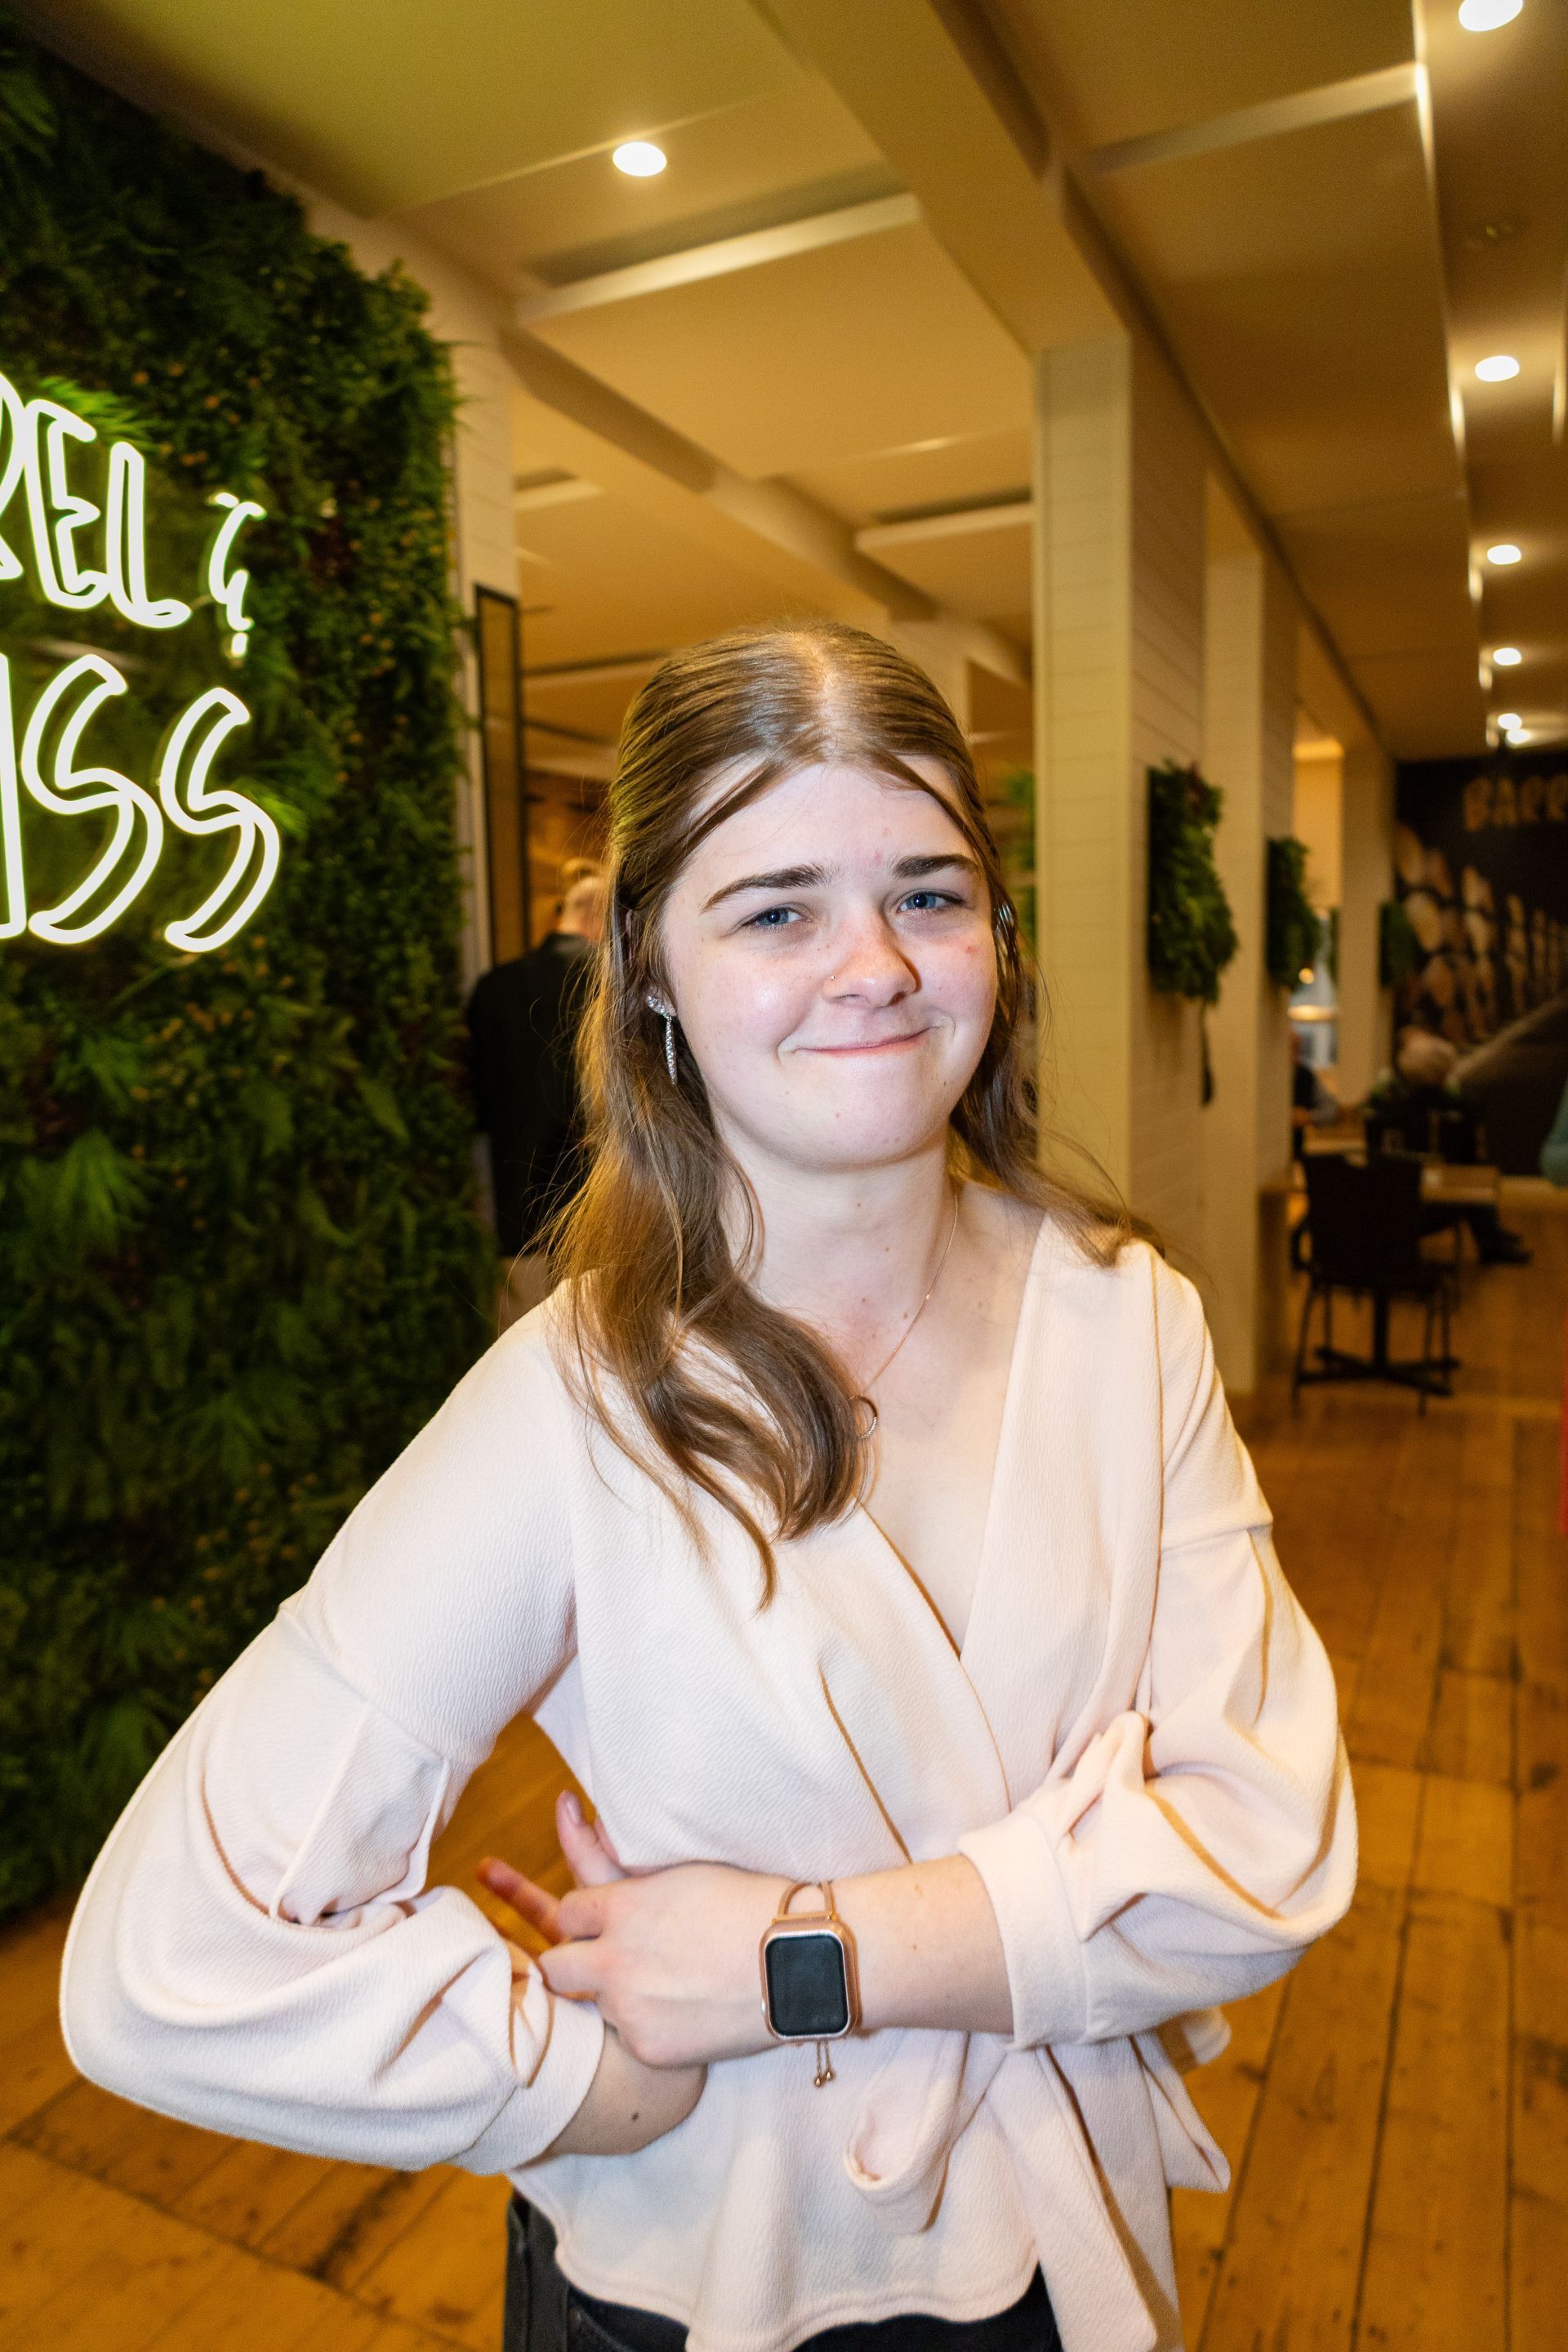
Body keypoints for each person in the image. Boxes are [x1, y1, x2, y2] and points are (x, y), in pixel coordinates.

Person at [60, 624, 1356, 2352]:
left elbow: (1268, 1848)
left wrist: (790, 1962)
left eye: (929, 891)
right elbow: (168, 1953)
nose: (877, 966)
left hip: (1068, 2249)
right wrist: (562, 2079)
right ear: (652, 966)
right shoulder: (573, 1409)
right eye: (777, 909)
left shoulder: (1133, 1325)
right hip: (713, 2285)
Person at [466, 861, 608, 1326]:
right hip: (603, 1216)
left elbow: (478, 1107)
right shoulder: (610, 982)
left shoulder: (492, 988)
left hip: (515, 1212)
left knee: (522, 1357)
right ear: (603, 918)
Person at [1368, 1027, 1530, 1263]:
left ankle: (1493, 1238)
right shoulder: (1465, 1109)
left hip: (1392, 1207)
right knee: (1471, 1177)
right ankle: (1491, 1242)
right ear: (1445, 1070)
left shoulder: (1386, 1110)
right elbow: (1471, 1162)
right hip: (1440, 1208)